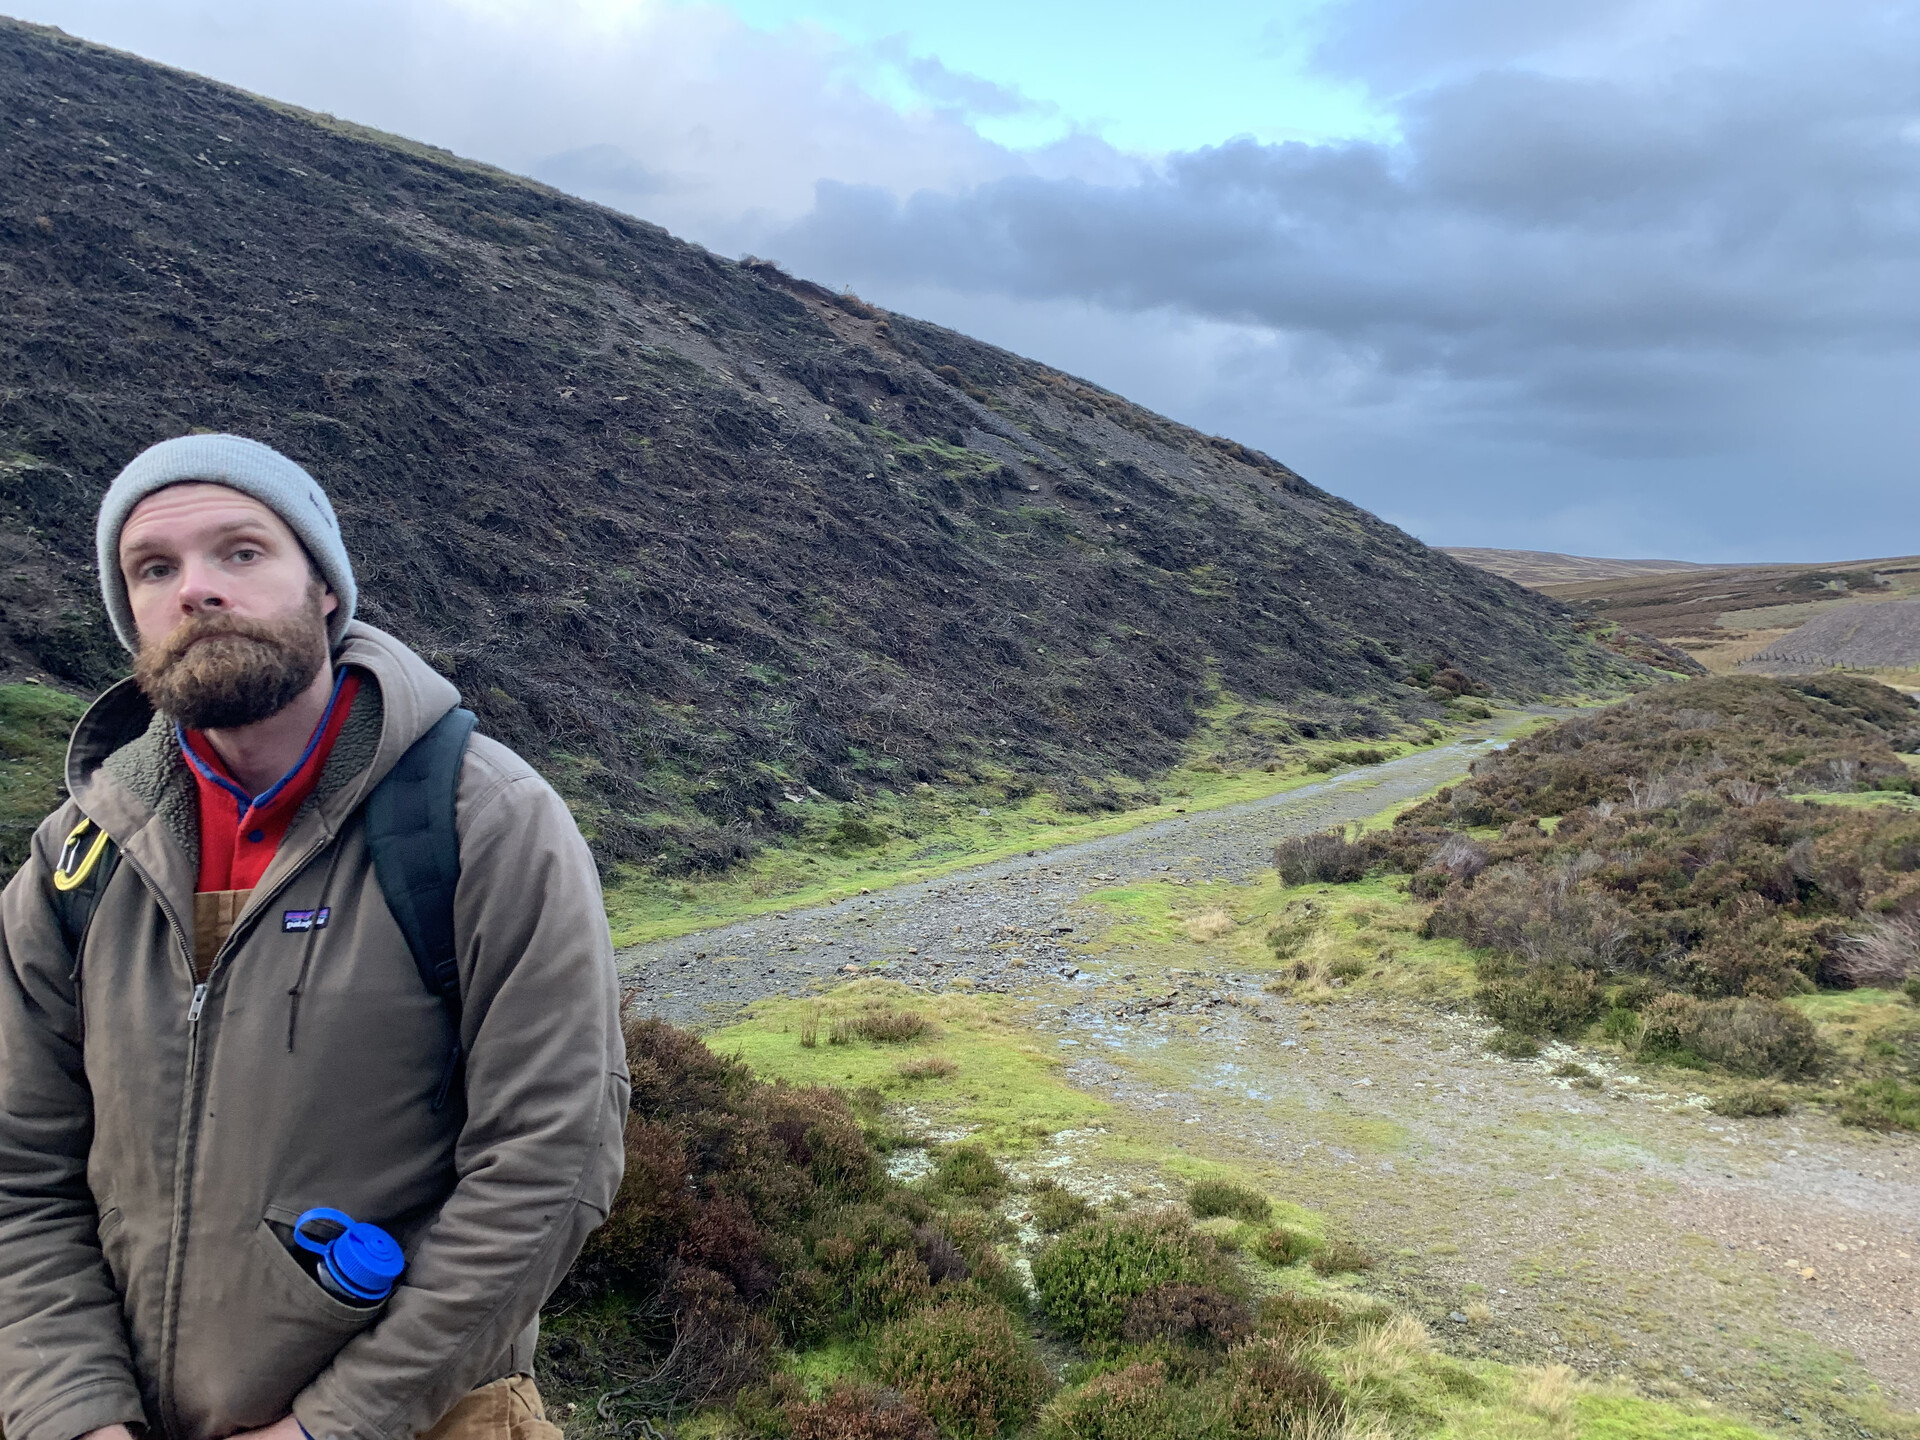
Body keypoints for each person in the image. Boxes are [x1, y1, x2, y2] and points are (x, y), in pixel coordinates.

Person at [0, 435, 628, 1440]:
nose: (195, 590)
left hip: (426, 1417)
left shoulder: (484, 819)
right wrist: (74, 1414)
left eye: (241, 552)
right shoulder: (75, 864)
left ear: (326, 589)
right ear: (132, 618)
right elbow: (18, 1177)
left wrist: (335, 1426)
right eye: (154, 569)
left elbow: (552, 1159)